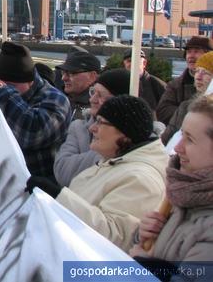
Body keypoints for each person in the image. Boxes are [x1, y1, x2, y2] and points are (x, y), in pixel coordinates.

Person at [28, 95, 168, 251]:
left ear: (124, 132)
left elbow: (115, 237)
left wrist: (58, 197)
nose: (92, 128)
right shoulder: (116, 162)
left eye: (100, 122)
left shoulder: (141, 179)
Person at [0, 42, 71, 182]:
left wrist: (6, 95)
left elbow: (32, 134)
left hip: (33, 190)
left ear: (30, 81)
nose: (1, 87)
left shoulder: (55, 99)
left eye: (11, 85)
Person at [129, 94, 213, 270]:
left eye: (189, 139)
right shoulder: (182, 193)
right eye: (181, 135)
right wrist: (142, 235)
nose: (177, 147)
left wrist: (145, 268)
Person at [54, 68, 131, 186]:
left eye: (100, 95)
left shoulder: (140, 135)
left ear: (119, 102)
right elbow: (62, 171)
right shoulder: (79, 127)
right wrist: (108, 152)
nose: (92, 99)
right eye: (92, 92)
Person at [157, 36, 213, 126]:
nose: (191, 56)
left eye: (196, 51)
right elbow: (163, 111)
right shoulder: (176, 85)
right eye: (188, 52)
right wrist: (193, 116)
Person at [161, 51, 213, 144]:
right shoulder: (185, 107)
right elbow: (165, 140)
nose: (198, 77)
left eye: (206, 73)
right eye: (197, 71)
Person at [55, 49, 101, 120]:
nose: (63, 78)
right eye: (63, 73)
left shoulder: (99, 111)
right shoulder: (59, 100)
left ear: (92, 77)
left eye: (71, 73)